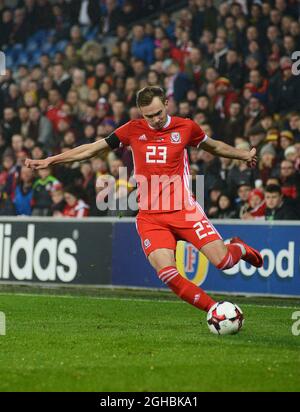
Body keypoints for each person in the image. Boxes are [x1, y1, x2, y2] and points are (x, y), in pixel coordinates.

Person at [25, 86, 263, 313]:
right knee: (168, 273)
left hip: (184, 211)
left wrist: (244, 155)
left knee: (223, 262)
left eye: (158, 113)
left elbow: (214, 146)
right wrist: (51, 160)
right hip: (151, 217)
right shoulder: (132, 130)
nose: (155, 119)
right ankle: (215, 309)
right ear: (141, 113)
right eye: (149, 116)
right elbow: (92, 149)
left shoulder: (186, 127)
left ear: (167, 104)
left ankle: (239, 247)